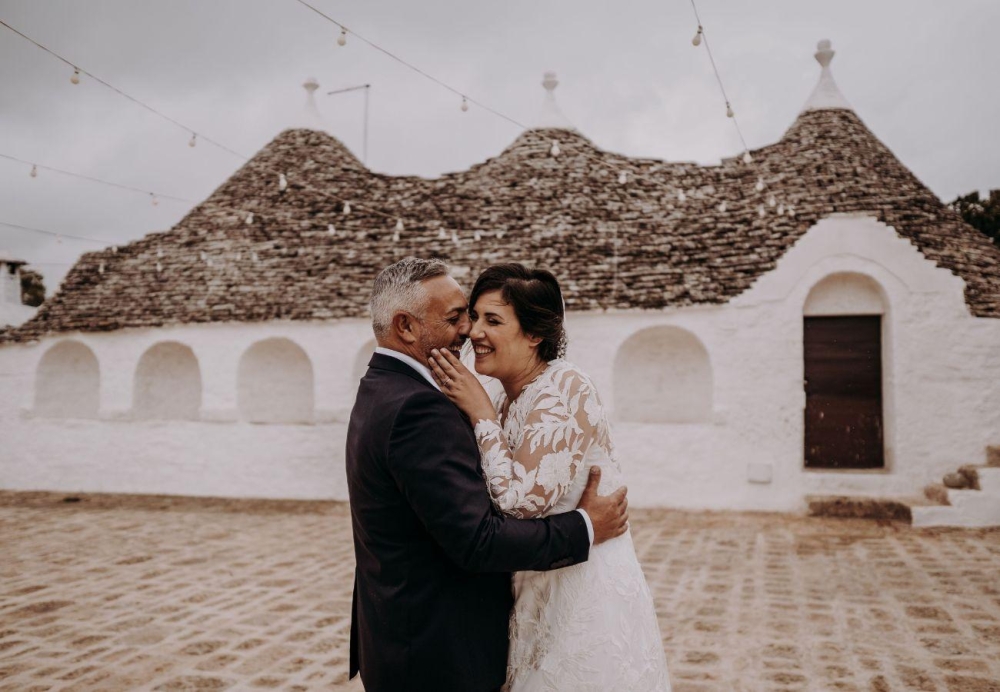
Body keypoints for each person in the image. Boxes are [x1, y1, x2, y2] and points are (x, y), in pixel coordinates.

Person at [346, 257, 630, 692]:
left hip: (546, 602)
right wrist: (586, 527)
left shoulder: (385, 388)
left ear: (535, 333)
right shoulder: (420, 407)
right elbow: (480, 539)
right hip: (434, 649)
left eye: (483, 318)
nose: (470, 330)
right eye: (459, 316)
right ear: (405, 326)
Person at [429, 263, 671, 692]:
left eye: (493, 320)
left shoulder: (565, 386)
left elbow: (519, 504)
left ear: (535, 334)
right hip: (532, 582)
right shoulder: (503, 392)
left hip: (581, 586)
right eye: (475, 316)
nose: (473, 331)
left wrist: (480, 414)